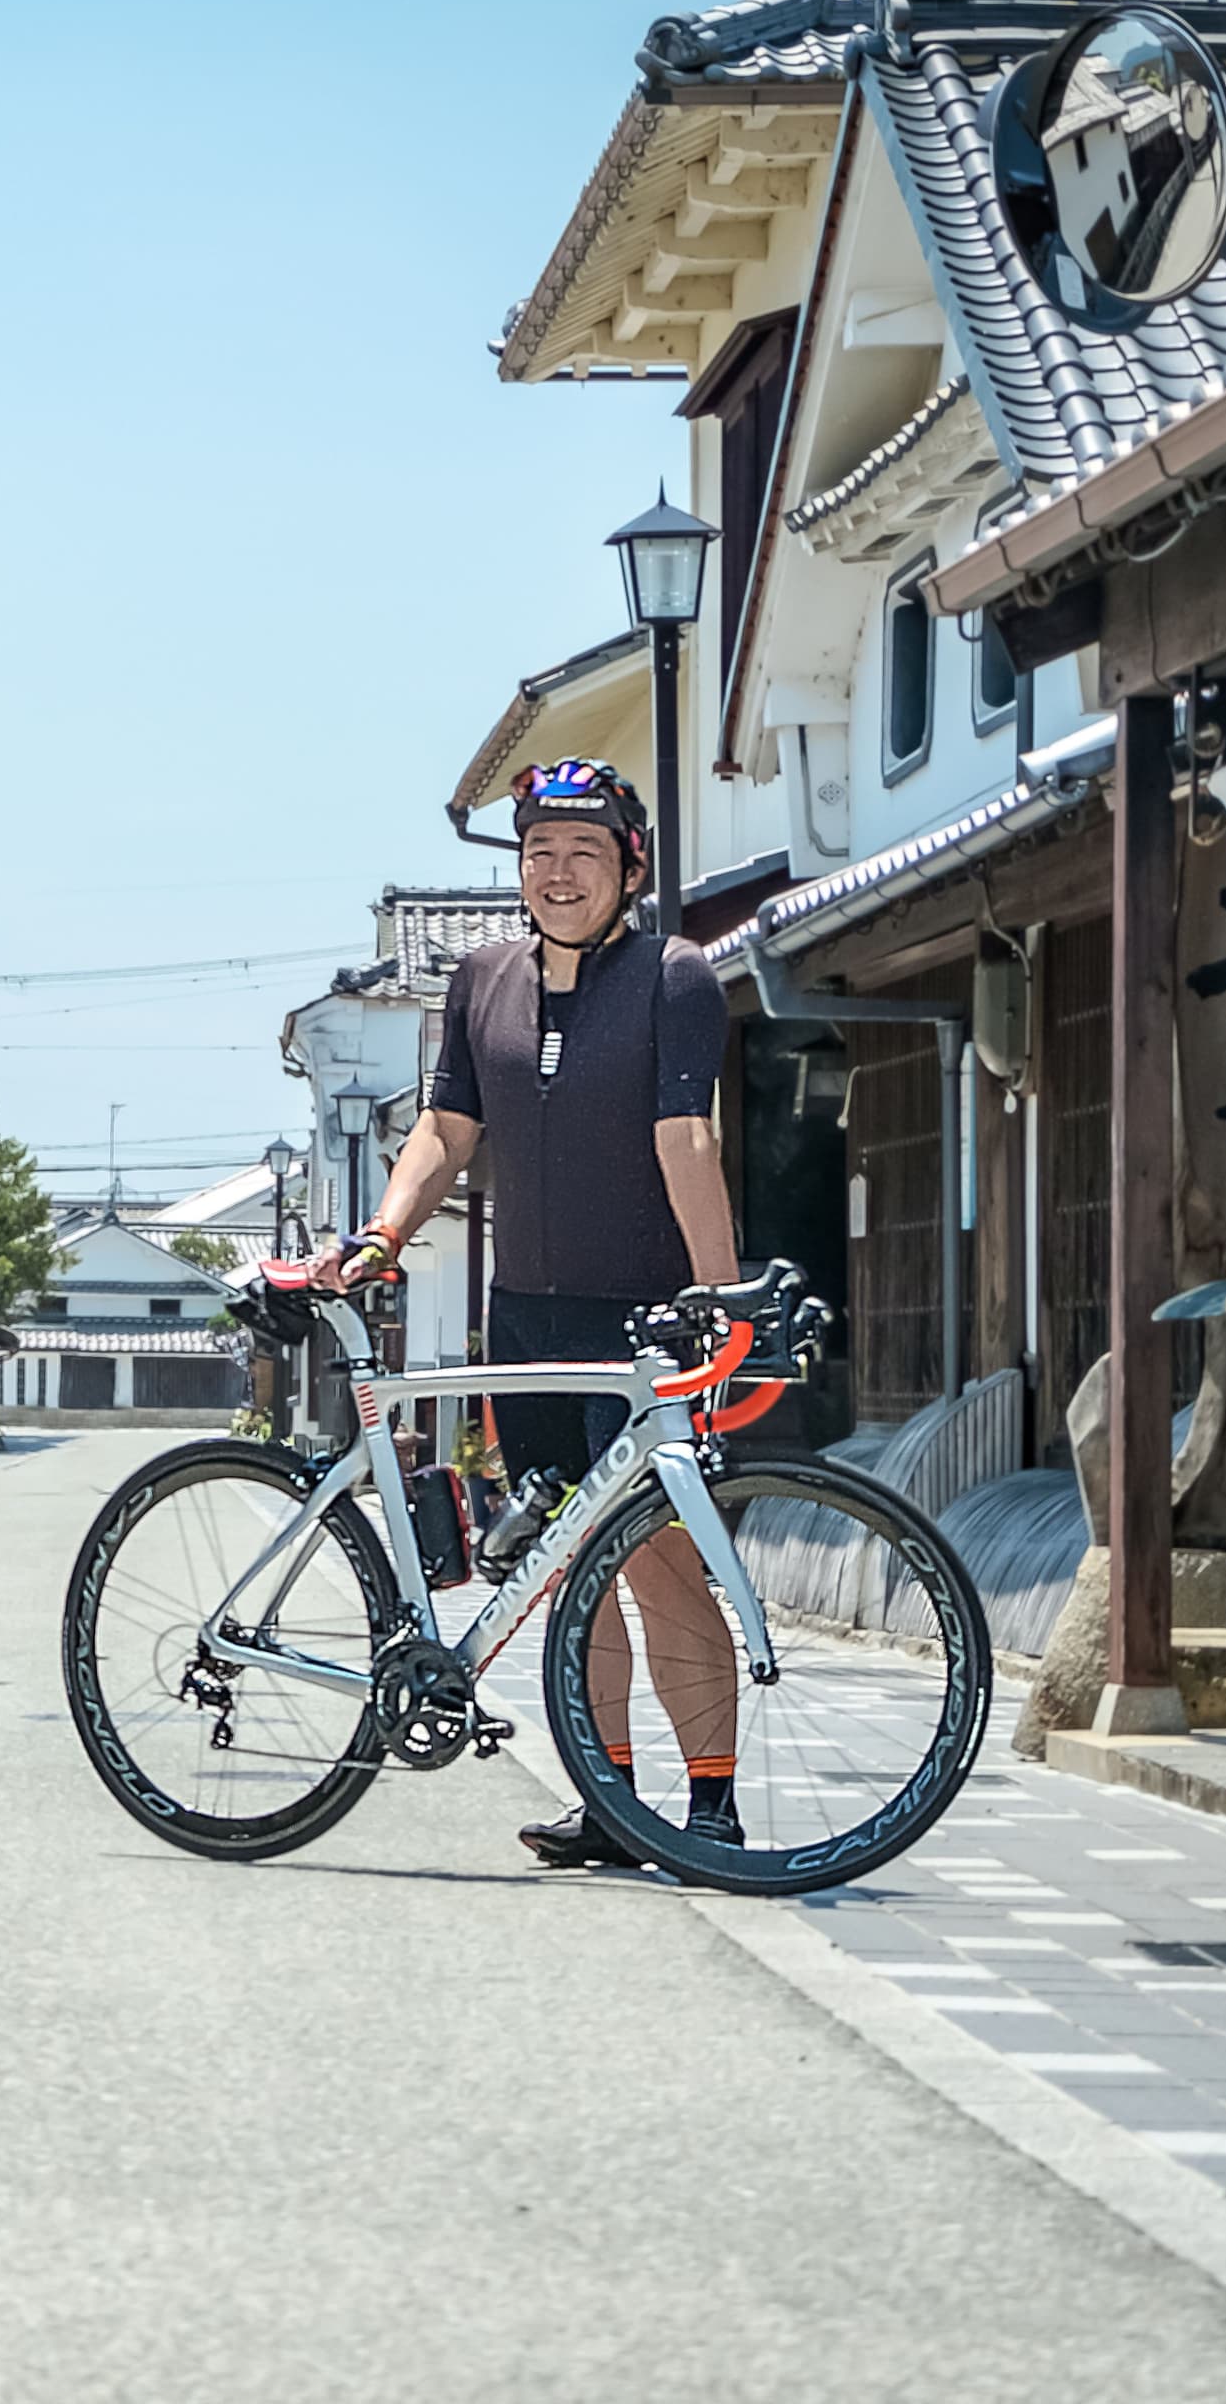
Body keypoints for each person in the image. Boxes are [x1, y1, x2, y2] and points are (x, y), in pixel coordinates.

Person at [317, 758, 744, 1867]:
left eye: (584, 853)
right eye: (539, 854)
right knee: (567, 1561)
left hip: (642, 1317)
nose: (557, 874)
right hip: (526, 1321)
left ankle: (709, 1807)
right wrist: (382, 1234)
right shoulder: (482, 981)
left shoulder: (674, 976)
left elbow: (685, 1140)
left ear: (630, 866)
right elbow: (445, 1130)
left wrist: (722, 1300)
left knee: (653, 1561)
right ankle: (611, 1799)